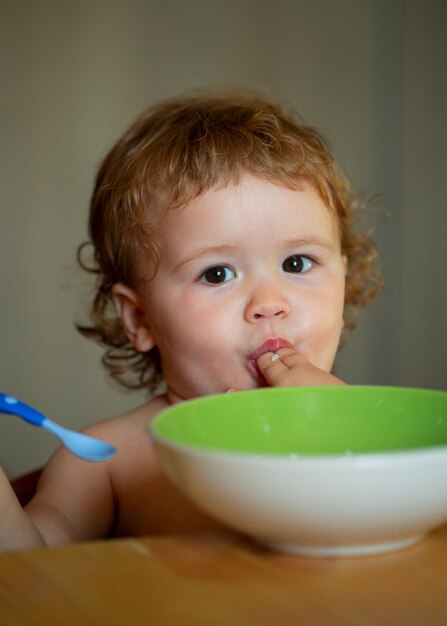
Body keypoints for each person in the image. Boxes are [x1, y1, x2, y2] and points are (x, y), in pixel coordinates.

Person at [0, 90, 380, 552]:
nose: (269, 302)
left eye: (298, 263)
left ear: (344, 274)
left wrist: (338, 430)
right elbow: (27, 565)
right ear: (140, 319)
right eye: (217, 273)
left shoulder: (375, 431)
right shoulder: (107, 460)